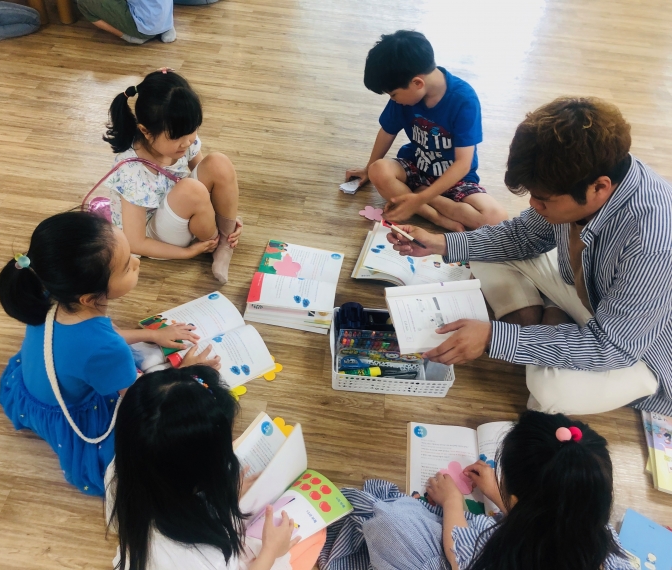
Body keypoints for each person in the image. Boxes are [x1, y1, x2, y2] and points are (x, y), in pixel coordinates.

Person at [387, 97, 672, 416]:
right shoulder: (589, 167)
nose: (534, 205)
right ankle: (551, 317)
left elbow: (612, 347)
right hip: (586, 293)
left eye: (543, 199)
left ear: (599, 188)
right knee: (479, 249)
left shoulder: (653, 241)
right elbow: (522, 235)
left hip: (637, 349)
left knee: (551, 394)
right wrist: (439, 243)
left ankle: (545, 317)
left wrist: (494, 336)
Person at [0, 211, 217, 495]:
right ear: (89, 298)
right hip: (75, 414)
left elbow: (96, 339)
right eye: (126, 267)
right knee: (170, 445)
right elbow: (142, 400)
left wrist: (152, 335)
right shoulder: (106, 349)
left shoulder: (49, 295)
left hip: (37, 390)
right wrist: (187, 373)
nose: (137, 262)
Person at [319, 410, 634, 570]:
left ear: (518, 500)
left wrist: (453, 500)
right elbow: (550, 515)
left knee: (390, 524)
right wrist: (498, 494)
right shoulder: (598, 534)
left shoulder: (504, 554)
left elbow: (458, 553)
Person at [107, 366, 327, 570]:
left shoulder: (122, 470)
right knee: (312, 538)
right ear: (204, 471)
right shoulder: (201, 557)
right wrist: (270, 553)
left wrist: (223, 495)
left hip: (146, 552)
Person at [345, 30, 507, 232]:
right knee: (378, 170)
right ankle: (436, 217)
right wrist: (368, 168)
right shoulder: (404, 96)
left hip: (455, 179)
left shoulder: (464, 100)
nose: (393, 100)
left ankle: (419, 198)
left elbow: (463, 163)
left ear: (417, 83)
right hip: (417, 169)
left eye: (393, 94)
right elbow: (387, 131)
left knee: (496, 218)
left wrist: (421, 197)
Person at [103, 70, 242, 284]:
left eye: (192, 130)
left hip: (179, 207)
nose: (187, 142)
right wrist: (188, 253)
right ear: (145, 131)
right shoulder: (131, 171)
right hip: (155, 235)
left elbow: (208, 178)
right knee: (191, 190)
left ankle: (225, 241)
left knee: (218, 162)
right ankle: (215, 240)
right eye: (177, 137)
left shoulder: (182, 140)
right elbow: (135, 242)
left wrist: (227, 217)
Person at [77, 0, 176, 44]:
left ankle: (130, 37)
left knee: (82, 2)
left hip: (144, 29)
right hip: (164, 18)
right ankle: (166, 26)